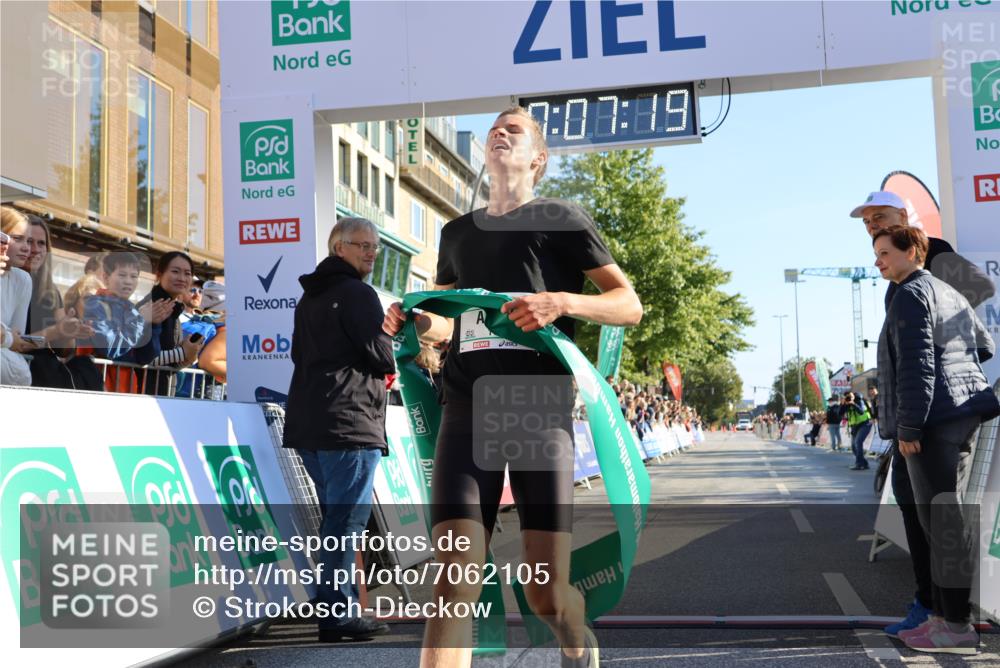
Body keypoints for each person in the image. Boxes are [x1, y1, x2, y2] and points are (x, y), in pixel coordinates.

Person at [383, 106, 642, 668]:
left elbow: (630, 305)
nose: (500, 132)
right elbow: (450, 320)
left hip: (536, 407)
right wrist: (418, 320)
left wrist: (562, 302)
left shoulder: (562, 219)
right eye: (495, 129)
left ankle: (576, 638)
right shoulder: (456, 233)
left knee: (544, 593)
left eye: (515, 130)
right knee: (453, 581)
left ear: (537, 159)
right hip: (466, 405)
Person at [850, 190, 995, 638]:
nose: (873, 224)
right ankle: (931, 607)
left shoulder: (932, 264)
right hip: (927, 411)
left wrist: (944, 359)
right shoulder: (900, 277)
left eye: (881, 218)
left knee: (940, 517)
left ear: (905, 221)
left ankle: (945, 616)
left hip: (933, 415)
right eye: (868, 222)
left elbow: (957, 328)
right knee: (918, 512)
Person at [283, 217, 395, 642]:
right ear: (338, 248)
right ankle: (336, 613)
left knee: (336, 521)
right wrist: (402, 334)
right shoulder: (359, 294)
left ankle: (337, 610)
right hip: (349, 423)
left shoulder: (309, 297)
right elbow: (381, 354)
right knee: (345, 524)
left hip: (312, 423)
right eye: (362, 245)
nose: (370, 252)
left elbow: (298, 354)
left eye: (375, 246)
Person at [79, 252, 167, 392]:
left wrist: (153, 324)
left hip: (125, 390)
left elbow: (146, 357)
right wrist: (141, 320)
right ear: (106, 278)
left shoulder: (131, 309)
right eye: (122, 275)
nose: (128, 281)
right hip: (96, 388)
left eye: (134, 276)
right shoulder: (94, 304)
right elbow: (110, 348)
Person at [137, 251, 203, 395]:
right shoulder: (152, 306)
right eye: (175, 271)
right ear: (159, 274)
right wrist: (182, 353)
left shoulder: (172, 308)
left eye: (187, 273)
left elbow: (168, 362)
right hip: (143, 394)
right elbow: (142, 357)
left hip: (164, 394)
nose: (182, 278)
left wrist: (187, 358)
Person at [1, 207, 34, 385]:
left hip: (6, 356)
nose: (26, 248)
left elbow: (17, 337)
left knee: (21, 371)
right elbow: (11, 338)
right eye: (17, 239)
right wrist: (9, 338)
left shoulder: (23, 279)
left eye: (28, 241)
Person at [842, 391, 873, 470]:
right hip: (855, 426)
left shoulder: (859, 401)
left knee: (858, 442)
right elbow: (839, 413)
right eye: (846, 397)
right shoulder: (846, 403)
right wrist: (843, 404)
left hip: (865, 424)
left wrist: (853, 403)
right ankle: (864, 463)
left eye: (849, 397)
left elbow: (861, 411)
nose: (848, 398)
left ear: (853, 396)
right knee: (853, 447)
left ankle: (859, 464)